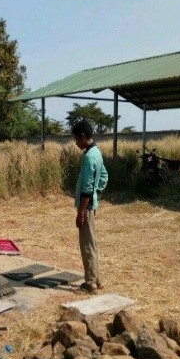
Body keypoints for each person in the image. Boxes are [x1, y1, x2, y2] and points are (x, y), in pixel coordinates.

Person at [72, 119, 108, 293]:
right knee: (92, 243)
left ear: (83, 136)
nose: (76, 143)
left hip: (86, 206)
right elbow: (104, 177)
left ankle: (90, 283)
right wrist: (97, 192)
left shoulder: (88, 157)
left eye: (76, 139)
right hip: (91, 203)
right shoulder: (97, 152)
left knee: (87, 244)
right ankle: (98, 279)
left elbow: (87, 187)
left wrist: (81, 212)